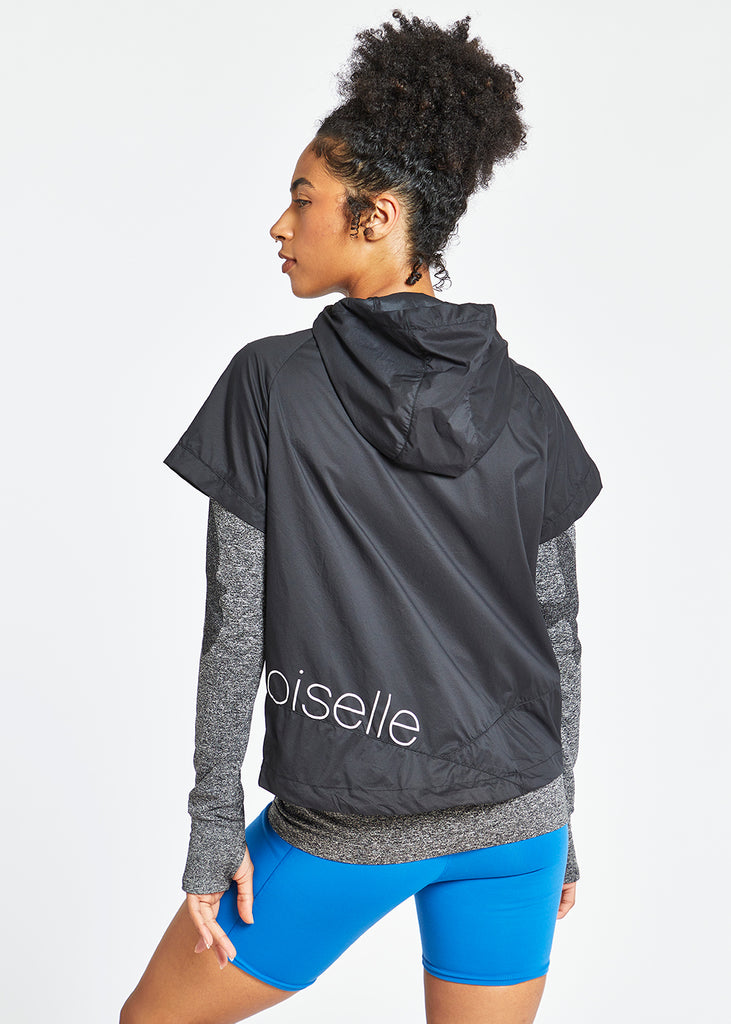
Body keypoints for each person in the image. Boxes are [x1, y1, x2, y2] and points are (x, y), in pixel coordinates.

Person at [120, 11, 603, 1024]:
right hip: (516, 824)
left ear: (376, 216)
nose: (279, 225)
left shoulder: (270, 384)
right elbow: (557, 628)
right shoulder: (527, 403)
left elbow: (236, 626)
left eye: (303, 200)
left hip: (345, 829)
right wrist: (558, 812)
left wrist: (213, 829)